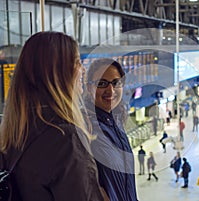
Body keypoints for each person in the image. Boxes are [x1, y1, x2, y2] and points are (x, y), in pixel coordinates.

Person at [0, 32, 104, 200]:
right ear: (58, 75)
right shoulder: (66, 140)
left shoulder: (13, 134)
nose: (83, 70)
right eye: (77, 62)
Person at [85, 58, 138, 201]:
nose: (111, 90)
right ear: (89, 88)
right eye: (101, 84)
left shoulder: (116, 123)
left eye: (116, 83)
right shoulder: (86, 127)